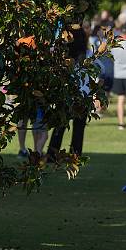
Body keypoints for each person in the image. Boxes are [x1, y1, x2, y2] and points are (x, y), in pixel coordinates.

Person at [47, 25, 89, 158]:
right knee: (78, 127)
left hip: (66, 93)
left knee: (60, 125)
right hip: (82, 93)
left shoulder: (62, 59)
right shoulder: (87, 57)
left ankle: (52, 153)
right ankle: (75, 154)